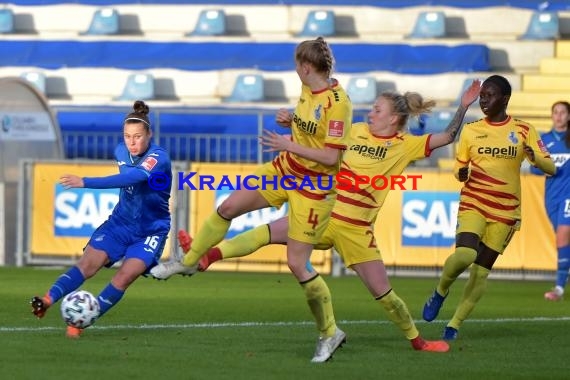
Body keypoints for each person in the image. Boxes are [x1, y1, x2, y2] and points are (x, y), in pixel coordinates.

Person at [153, 80, 482, 357]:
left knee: (383, 292)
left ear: (395, 118)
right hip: (327, 210)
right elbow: (318, 136)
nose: (370, 113)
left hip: (356, 229)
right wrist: (291, 124)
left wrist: (464, 106)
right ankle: (207, 256)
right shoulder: (354, 131)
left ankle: (418, 341)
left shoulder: (406, 145)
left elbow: (448, 137)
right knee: (267, 233)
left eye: (377, 110)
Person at [155, 37, 353, 362]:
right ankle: (187, 263)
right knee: (228, 207)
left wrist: (289, 144)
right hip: (285, 169)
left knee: (296, 263)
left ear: (306, 67)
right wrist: (293, 124)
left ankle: (330, 333)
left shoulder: (339, 103)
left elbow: (332, 157)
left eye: (296, 66)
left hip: (314, 188)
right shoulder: (308, 91)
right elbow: (312, 133)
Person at [422, 75, 557, 340]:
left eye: (490, 95)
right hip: (474, 203)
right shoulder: (471, 130)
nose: (483, 100)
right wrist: (460, 173)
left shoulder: (524, 130)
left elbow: (551, 167)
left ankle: (454, 324)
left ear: (504, 99)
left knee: (480, 274)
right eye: (482, 95)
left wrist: (535, 159)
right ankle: (440, 291)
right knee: (465, 255)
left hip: (506, 213)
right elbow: (459, 167)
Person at [30, 100, 173, 338]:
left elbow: (132, 179)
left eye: (138, 136)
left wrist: (85, 182)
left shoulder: (159, 157)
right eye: (127, 136)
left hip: (151, 230)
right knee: (88, 265)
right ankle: (47, 300)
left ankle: (79, 322)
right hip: (120, 223)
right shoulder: (120, 151)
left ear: (149, 134)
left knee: (125, 276)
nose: (132, 142)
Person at [530, 101, 570, 301]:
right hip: (552, 198)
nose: (559, 116)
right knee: (564, 241)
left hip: (568, 196)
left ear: (568, 116)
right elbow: (534, 169)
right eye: (556, 112)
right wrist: (544, 165)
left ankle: (559, 289)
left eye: (563, 112)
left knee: (563, 236)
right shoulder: (545, 140)